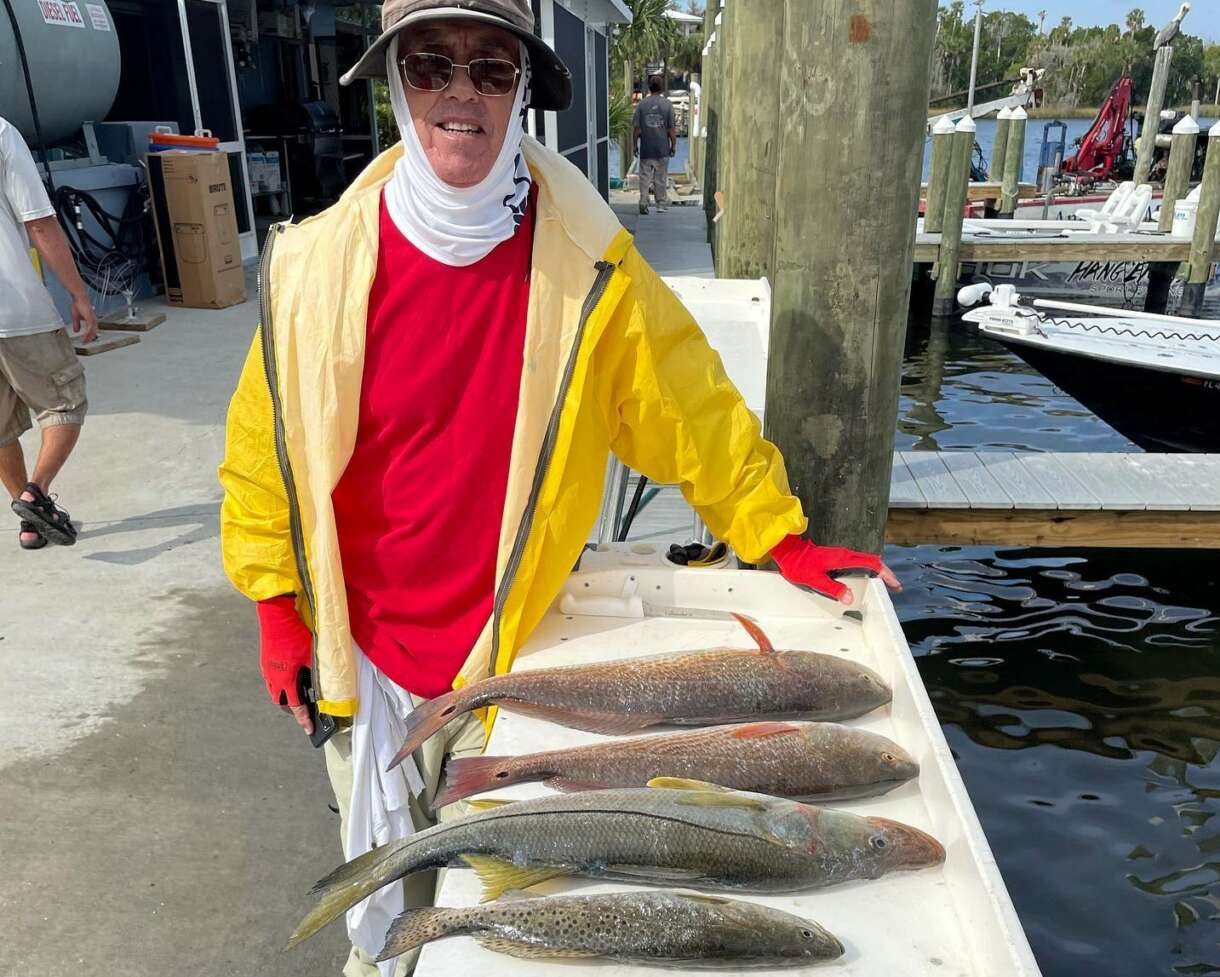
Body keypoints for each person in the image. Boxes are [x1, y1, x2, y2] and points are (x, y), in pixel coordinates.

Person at [218, 2, 898, 973]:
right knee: (386, 885)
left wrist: (775, 532)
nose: (460, 91)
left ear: (524, 88)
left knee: (510, 905)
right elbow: (265, 450)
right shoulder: (312, 264)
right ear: (394, 85)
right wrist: (272, 601)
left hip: (514, 648)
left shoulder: (593, 264)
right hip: (362, 650)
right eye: (430, 64)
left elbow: (687, 408)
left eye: (491, 68)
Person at [0, 115, 96, 551]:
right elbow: (39, 222)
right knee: (65, 402)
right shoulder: (2, 133)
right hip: (15, 309)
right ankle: (34, 495)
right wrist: (78, 294)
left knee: (1, 428)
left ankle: (29, 522)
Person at [632, 74, 676, 215]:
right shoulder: (667, 105)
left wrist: (635, 145)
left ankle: (643, 201)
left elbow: (637, 129)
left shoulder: (641, 105)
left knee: (645, 177)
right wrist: (673, 146)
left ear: (649, 87)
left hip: (646, 148)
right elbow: (671, 130)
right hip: (662, 149)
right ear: (661, 88)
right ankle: (660, 203)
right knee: (660, 177)